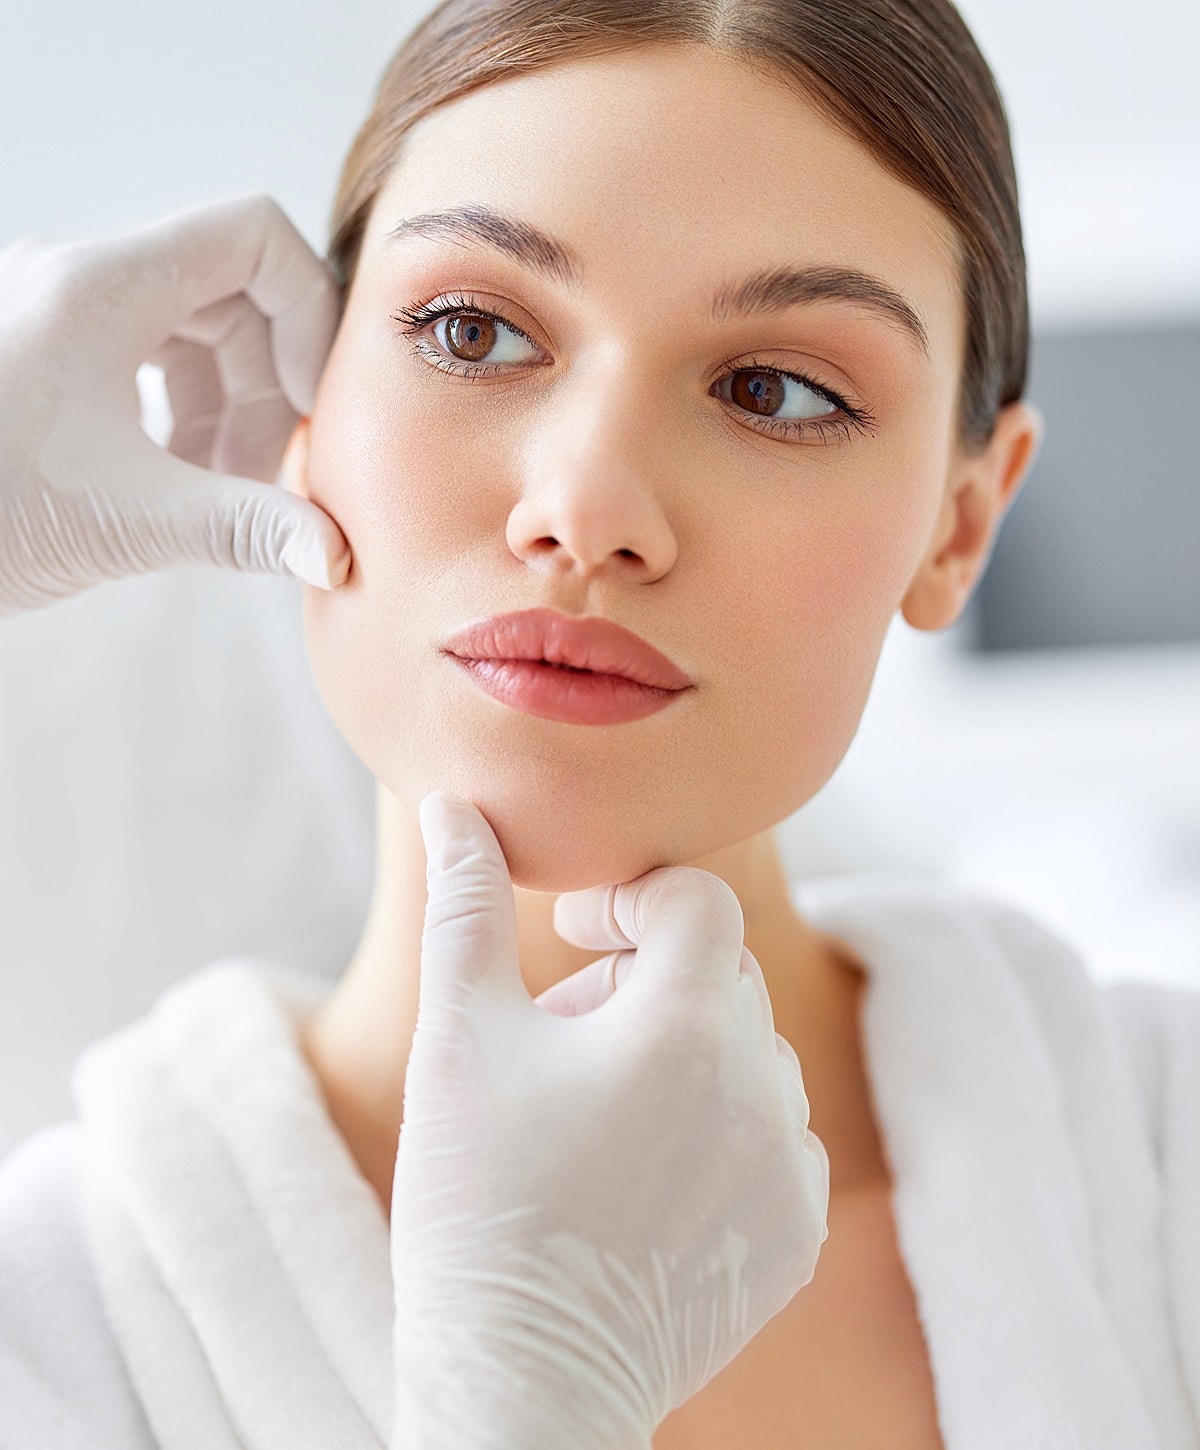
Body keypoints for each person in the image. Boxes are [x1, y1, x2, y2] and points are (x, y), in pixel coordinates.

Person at [2, 1, 1199, 1447]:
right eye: (472, 328)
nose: (588, 507)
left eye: (776, 389)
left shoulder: (1164, 1162)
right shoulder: (50, 1322)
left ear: (962, 524)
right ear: (302, 403)